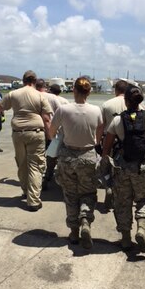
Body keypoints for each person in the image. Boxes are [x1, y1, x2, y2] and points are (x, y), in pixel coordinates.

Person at [0, 70, 52, 211]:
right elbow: (46, 119)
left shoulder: (14, 94)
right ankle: (33, 201)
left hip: (18, 133)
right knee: (35, 166)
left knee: (22, 164)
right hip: (36, 132)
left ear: (23, 81)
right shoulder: (40, 96)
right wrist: (50, 137)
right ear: (34, 81)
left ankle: (26, 191)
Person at [101, 85, 145, 252]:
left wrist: (105, 165)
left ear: (126, 101)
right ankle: (141, 229)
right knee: (144, 199)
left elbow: (106, 147)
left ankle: (126, 238)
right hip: (142, 166)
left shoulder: (117, 120)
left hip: (122, 167)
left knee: (122, 202)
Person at [49, 77, 103, 249]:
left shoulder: (63, 110)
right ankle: (86, 220)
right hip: (87, 155)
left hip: (68, 156)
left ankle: (73, 231)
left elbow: (51, 131)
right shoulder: (96, 110)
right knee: (88, 192)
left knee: (70, 195)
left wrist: (59, 140)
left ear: (74, 90)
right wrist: (94, 141)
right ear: (89, 92)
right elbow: (100, 131)